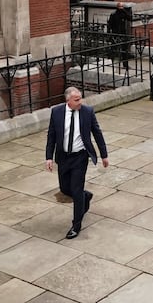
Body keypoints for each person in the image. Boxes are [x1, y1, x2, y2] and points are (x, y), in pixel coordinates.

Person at [45, 87, 109, 239]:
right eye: (77, 100)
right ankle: (85, 197)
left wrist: (104, 155)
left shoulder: (87, 112)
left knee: (76, 187)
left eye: (80, 98)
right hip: (63, 157)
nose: (80, 102)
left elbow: (97, 133)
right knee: (66, 189)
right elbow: (51, 135)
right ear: (68, 100)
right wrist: (48, 157)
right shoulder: (57, 112)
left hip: (80, 157)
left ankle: (76, 225)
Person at [107, 2, 132, 71]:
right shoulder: (113, 14)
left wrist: (124, 11)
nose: (121, 8)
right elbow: (109, 24)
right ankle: (110, 62)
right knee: (114, 49)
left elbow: (129, 18)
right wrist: (109, 33)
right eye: (120, 7)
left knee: (124, 50)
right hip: (115, 33)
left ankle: (125, 65)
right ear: (117, 7)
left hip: (123, 33)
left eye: (122, 6)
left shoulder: (123, 13)